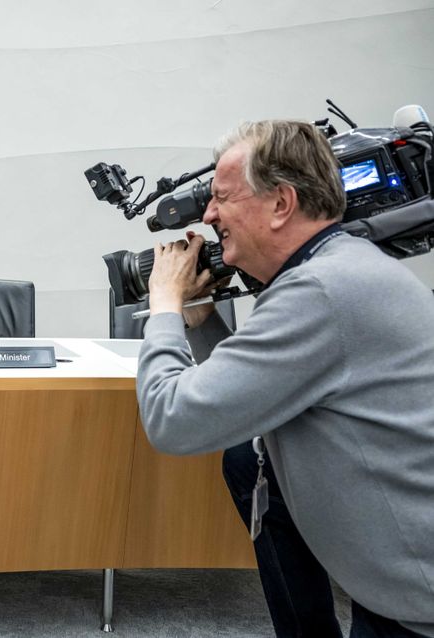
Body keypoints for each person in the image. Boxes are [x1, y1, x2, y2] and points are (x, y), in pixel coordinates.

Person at [137, 120, 434, 637]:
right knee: (245, 462)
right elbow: (237, 398)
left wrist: (162, 303)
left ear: (281, 204)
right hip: (395, 581)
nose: (207, 215)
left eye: (222, 198)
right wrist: (201, 318)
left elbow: (174, 419)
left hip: (411, 601)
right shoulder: (332, 270)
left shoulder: (320, 291)